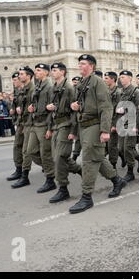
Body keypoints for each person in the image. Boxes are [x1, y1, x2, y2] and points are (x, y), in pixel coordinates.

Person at [69, 54, 125, 214]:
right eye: (79, 64)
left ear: (91, 66)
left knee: (88, 160)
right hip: (84, 125)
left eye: (83, 64)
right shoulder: (82, 83)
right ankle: (117, 180)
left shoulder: (98, 82)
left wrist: (105, 130)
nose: (80, 66)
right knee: (97, 157)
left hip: (94, 125)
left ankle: (86, 197)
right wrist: (76, 106)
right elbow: (85, 104)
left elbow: (106, 107)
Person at [46, 62, 82, 203]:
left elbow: (75, 111)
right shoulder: (53, 88)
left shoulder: (69, 88)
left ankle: (63, 189)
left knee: (60, 157)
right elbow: (53, 109)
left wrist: (73, 130)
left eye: (55, 70)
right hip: (56, 125)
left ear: (62, 72)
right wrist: (49, 127)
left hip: (66, 125)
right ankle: (80, 170)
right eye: (52, 70)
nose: (52, 73)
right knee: (59, 156)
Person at [26, 63, 57, 194]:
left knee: (46, 153)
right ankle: (52, 168)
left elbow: (52, 108)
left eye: (38, 70)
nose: (36, 73)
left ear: (46, 72)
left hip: (45, 123)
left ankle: (50, 180)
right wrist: (31, 107)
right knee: (31, 151)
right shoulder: (38, 86)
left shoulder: (49, 87)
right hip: (35, 122)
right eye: (36, 70)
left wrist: (50, 128)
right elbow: (36, 102)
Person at [116, 70, 139, 182]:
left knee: (128, 148)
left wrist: (136, 126)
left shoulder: (136, 92)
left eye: (123, 77)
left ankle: (130, 172)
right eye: (120, 77)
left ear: (130, 78)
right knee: (122, 148)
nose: (121, 79)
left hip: (132, 123)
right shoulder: (120, 91)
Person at [7, 72, 24, 181]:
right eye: (13, 80)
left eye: (15, 80)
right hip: (20, 122)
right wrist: (13, 110)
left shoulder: (26, 90)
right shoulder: (16, 91)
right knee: (18, 146)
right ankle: (19, 170)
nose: (14, 82)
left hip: (29, 123)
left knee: (33, 150)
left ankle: (50, 168)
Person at [103, 71, 122, 169]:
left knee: (112, 145)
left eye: (106, 78)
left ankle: (113, 164)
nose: (104, 80)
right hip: (106, 121)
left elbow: (120, 111)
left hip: (113, 122)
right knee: (105, 144)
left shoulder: (118, 92)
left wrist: (115, 125)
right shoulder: (106, 91)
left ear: (113, 79)